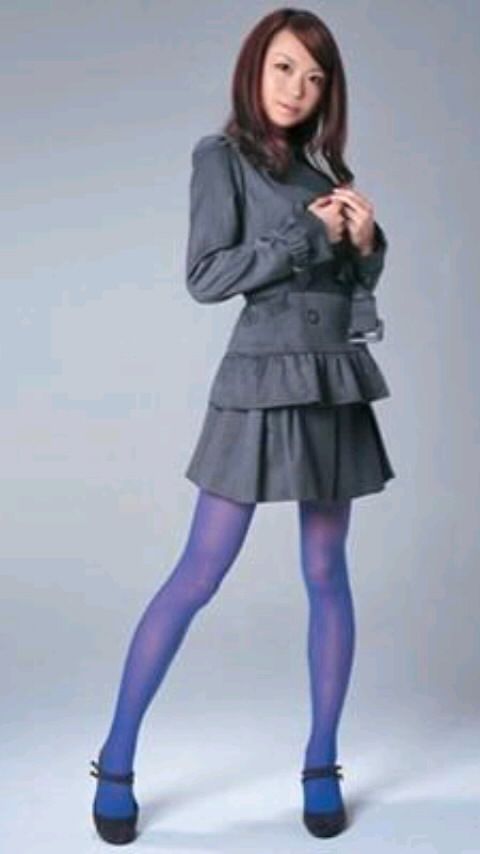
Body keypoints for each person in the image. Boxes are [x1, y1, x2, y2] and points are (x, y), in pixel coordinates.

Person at [89, 7, 396, 843]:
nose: (298, 88)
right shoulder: (220, 159)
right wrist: (308, 232)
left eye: (315, 77)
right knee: (200, 571)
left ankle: (321, 761)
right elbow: (206, 275)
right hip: (260, 381)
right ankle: (116, 757)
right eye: (284, 67)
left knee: (327, 570)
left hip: (331, 379)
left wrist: (365, 242)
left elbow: (345, 286)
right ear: (254, 69)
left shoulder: (324, 169)